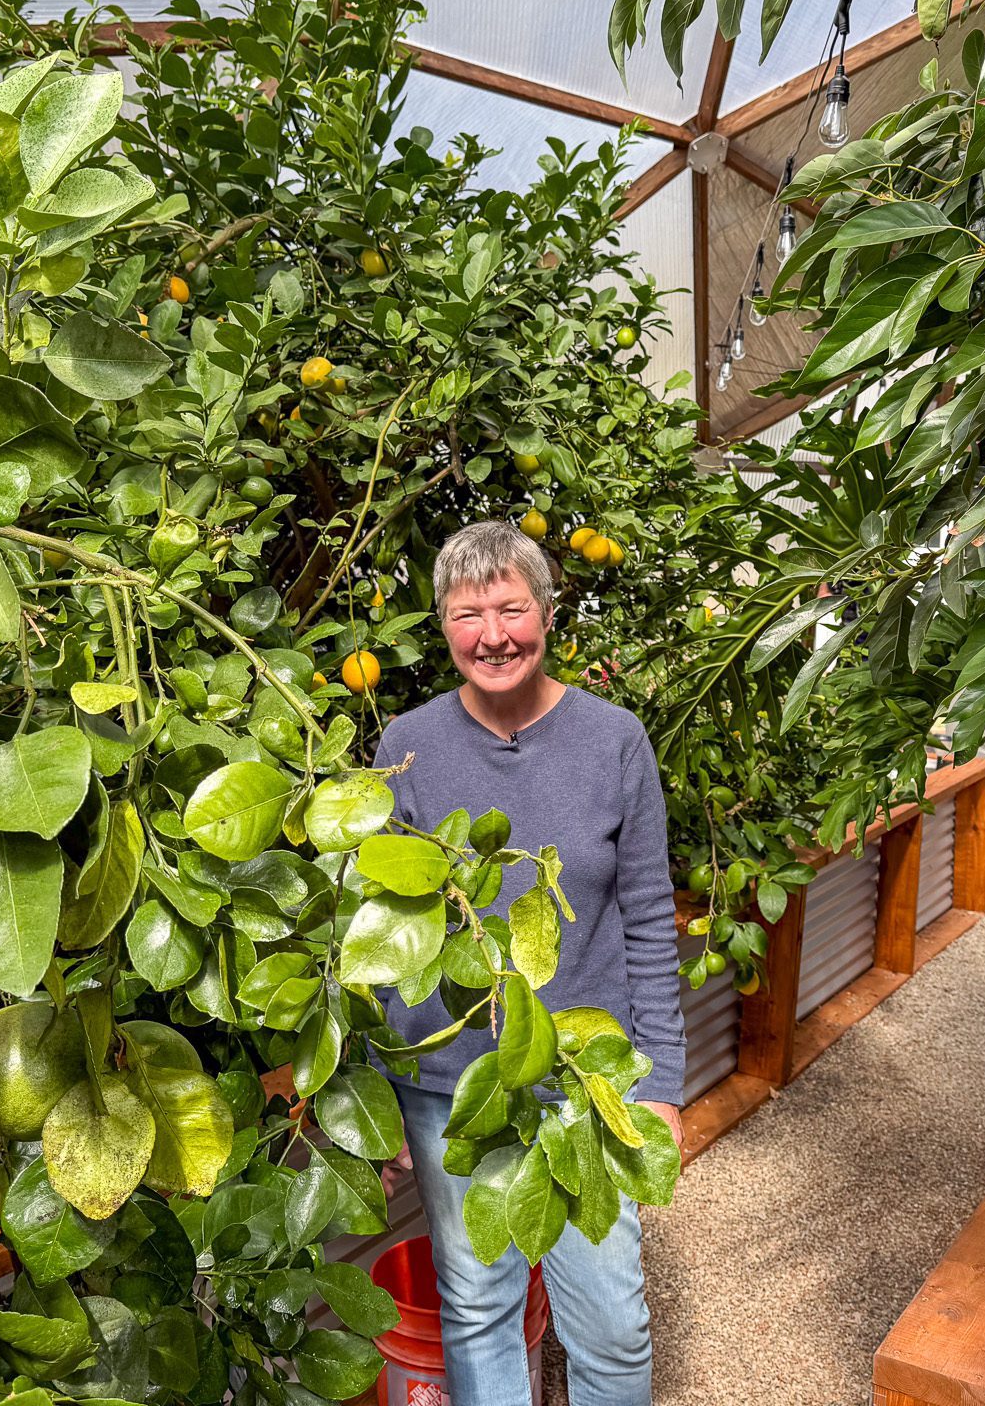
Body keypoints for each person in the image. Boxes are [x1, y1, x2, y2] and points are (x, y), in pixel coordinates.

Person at [369, 520, 687, 1406]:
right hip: (449, 1087)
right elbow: (385, 932)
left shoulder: (614, 741)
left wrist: (658, 1083)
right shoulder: (407, 745)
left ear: (548, 611)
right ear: (443, 626)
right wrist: (381, 1087)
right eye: (470, 614)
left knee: (613, 1329)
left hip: (586, 1080)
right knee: (476, 1308)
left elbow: (651, 920)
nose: (494, 635)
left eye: (512, 607)